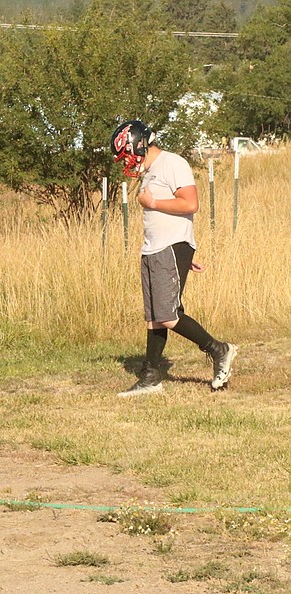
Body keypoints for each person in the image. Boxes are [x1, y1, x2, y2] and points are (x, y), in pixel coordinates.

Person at [111, 120, 238, 397]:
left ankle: (219, 349)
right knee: (154, 318)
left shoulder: (172, 163)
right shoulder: (150, 170)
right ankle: (151, 377)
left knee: (168, 316)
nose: (129, 162)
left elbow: (191, 204)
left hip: (170, 247)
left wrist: (178, 243)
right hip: (155, 248)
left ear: (139, 144)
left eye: (128, 154)